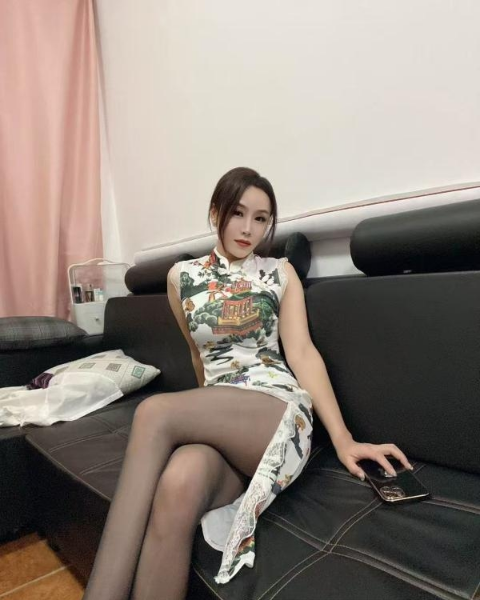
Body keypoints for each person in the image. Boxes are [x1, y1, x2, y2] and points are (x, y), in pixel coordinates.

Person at [83, 167, 412, 600]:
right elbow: (201, 361)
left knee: (153, 411)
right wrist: (206, 423)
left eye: (261, 219)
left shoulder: (280, 273)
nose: (248, 229)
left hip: (275, 410)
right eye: (238, 214)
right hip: (223, 417)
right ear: (215, 213)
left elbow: (302, 354)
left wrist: (343, 439)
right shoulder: (181, 278)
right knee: (178, 484)